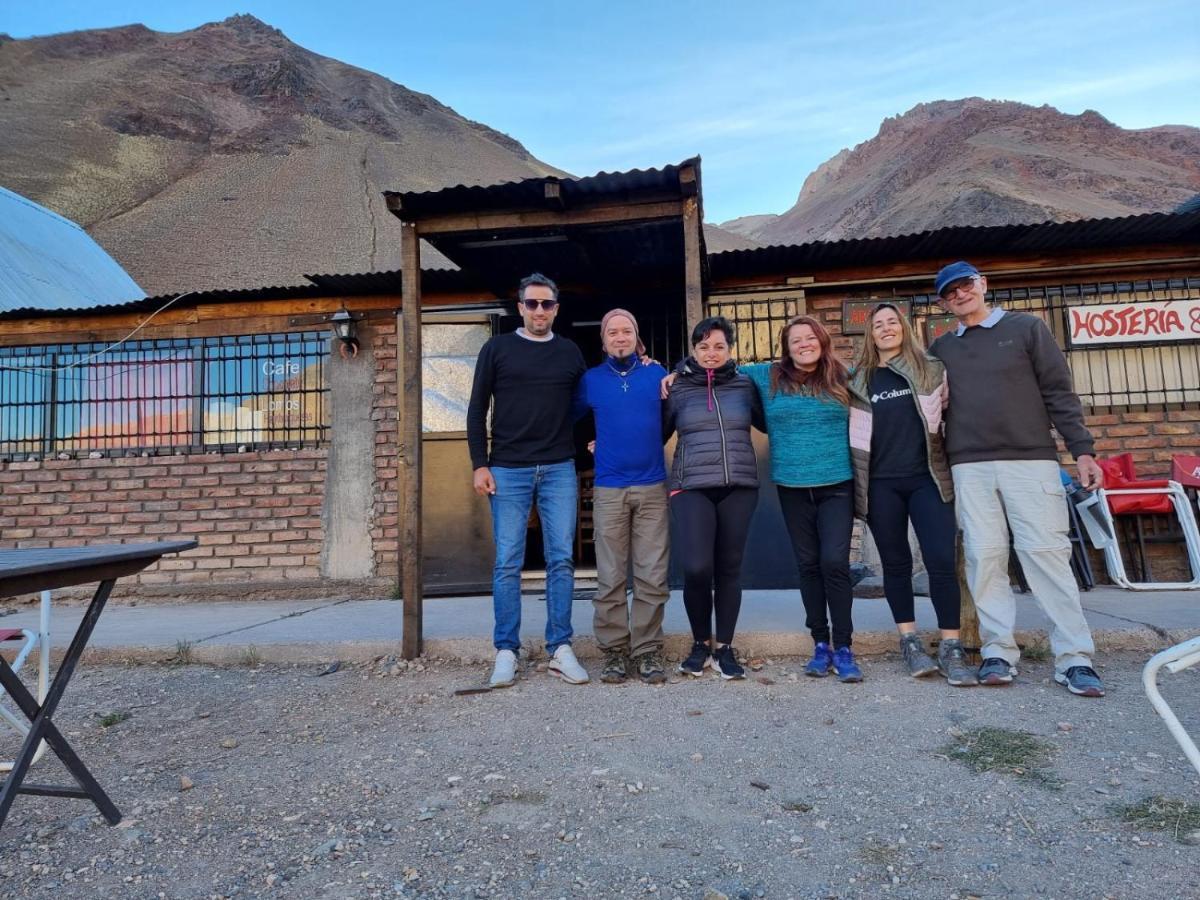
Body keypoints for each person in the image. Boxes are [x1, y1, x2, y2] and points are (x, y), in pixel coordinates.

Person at [929, 261, 1106, 697]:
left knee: (1045, 556)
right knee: (984, 558)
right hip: (968, 466)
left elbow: (1059, 392)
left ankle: (1074, 657)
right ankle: (998, 652)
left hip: (1030, 461)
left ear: (983, 285)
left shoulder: (1027, 328)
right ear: (943, 302)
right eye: (949, 292)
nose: (959, 294)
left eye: (966, 285)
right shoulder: (942, 348)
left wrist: (1082, 450)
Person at [466, 272, 590, 688]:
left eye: (547, 304)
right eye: (532, 303)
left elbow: (582, 406)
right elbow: (476, 407)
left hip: (558, 467)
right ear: (520, 307)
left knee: (561, 559)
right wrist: (479, 464)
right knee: (508, 562)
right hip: (507, 468)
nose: (540, 311)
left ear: (556, 308)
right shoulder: (496, 348)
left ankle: (560, 648)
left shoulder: (570, 352)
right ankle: (506, 650)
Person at [848, 303, 977, 686]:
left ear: (903, 328)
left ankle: (952, 647)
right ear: (870, 335)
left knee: (940, 560)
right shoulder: (858, 379)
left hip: (928, 479)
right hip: (881, 484)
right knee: (896, 564)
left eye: (892, 322)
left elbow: (950, 416)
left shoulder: (931, 369)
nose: (886, 329)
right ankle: (909, 641)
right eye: (878, 325)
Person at [739, 316, 862, 682]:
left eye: (810, 338)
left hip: (837, 483)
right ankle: (820, 644)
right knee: (808, 564)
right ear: (786, 347)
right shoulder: (767, 376)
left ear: (822, 341)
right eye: (796, 340)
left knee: (834, 563)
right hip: (792, 486)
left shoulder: (846, 375)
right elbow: (722, 366)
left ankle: (844, 646)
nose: (804, 344)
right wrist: (674, 371)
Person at [572, 309, 671, 684]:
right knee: (611, 575)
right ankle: (614, 652)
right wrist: (588, 449)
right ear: (603, 340)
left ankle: (646, 651)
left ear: (636, 336)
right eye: (612, 332)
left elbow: (678, 412)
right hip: (609, 487)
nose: (619, 337)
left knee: (651, 574)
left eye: (626, 330)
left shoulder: (657, 375)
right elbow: (566, 420)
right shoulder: (591, 381)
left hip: (652, 485)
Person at [665, 316, 765, 680]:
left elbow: (772, 421)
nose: (711, 353)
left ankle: (723, 647)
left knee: (728, 568)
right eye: (703, 346)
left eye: (719, 346)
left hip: (739, 486)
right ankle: (699, 644)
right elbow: (653, 432)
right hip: (691, 486)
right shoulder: (675, 388)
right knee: (696, 567)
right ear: (693, 349)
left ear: (729, 349)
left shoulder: (744, 385)